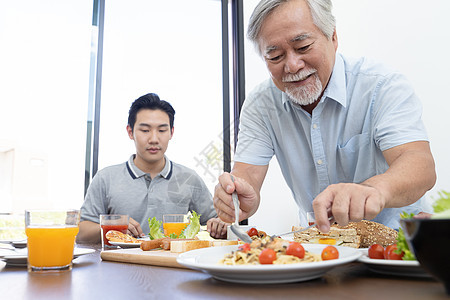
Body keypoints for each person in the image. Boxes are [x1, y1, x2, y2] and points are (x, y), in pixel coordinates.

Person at [214, 0, 436, 233]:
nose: (292, 65)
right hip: (322, 249)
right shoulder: (261, 104)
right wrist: (237, 196)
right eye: (276, 57)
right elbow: (246, 176)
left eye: (303, 47)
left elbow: (419, 166)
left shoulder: (381, 85)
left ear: (333, 37)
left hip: (395, 245)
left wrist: (374, 190)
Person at [77, 93, 228, 243]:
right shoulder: (106, 178)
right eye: (145, 130)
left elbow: (217, 221)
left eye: (162, 130)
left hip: (171, 264)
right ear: (130, 132)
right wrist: (112, 226)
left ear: (171, 132)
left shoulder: (189, 178)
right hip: (119, 263)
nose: (154, 139)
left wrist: (220, 226)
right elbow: (81, 233)